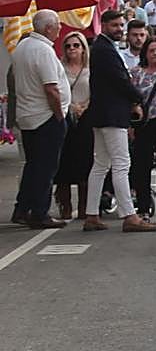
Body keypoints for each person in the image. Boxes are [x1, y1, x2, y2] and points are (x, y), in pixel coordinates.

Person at [83, 10, 156, 233]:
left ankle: (92, 214)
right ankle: (129, 215)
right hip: (112, 115)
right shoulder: (104, 49)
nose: (119, 29)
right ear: (104, 25)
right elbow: (119, 80)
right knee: (121, 163)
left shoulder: (103, 48)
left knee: (101, 165)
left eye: (120, 25)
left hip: (103, 114)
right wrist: (137, 98)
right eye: (115, 25)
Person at [11, 11, 71, 228]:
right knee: (45, 167)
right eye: (57, 26)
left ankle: (22, 208)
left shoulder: (22, 47)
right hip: (44, 116)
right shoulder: (43, 50)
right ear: (48, 28)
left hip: (28, 114)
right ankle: (39, 212)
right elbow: (51, 89)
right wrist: (59, 115)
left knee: (33, 165)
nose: (59, 30)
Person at [130, 36, 156, 223]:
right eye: (151, 50)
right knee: (142, 166)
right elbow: (130, 98)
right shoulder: (136, 73)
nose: (155, 53)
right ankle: (144, 208)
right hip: (143, 123)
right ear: (145, 54)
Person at [53, 32, 92, 221]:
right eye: (68, 46)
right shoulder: (59, 68)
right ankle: (65, 204)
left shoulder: (90, 70)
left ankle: (84, 206)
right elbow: (54, 91)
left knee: (84, 161)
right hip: (65, 117)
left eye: (76, 45)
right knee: (64, 162)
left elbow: (96, 92)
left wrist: (84, 107)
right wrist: (70, 107)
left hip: (85, 120)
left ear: (83, 48)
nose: (72, 49)